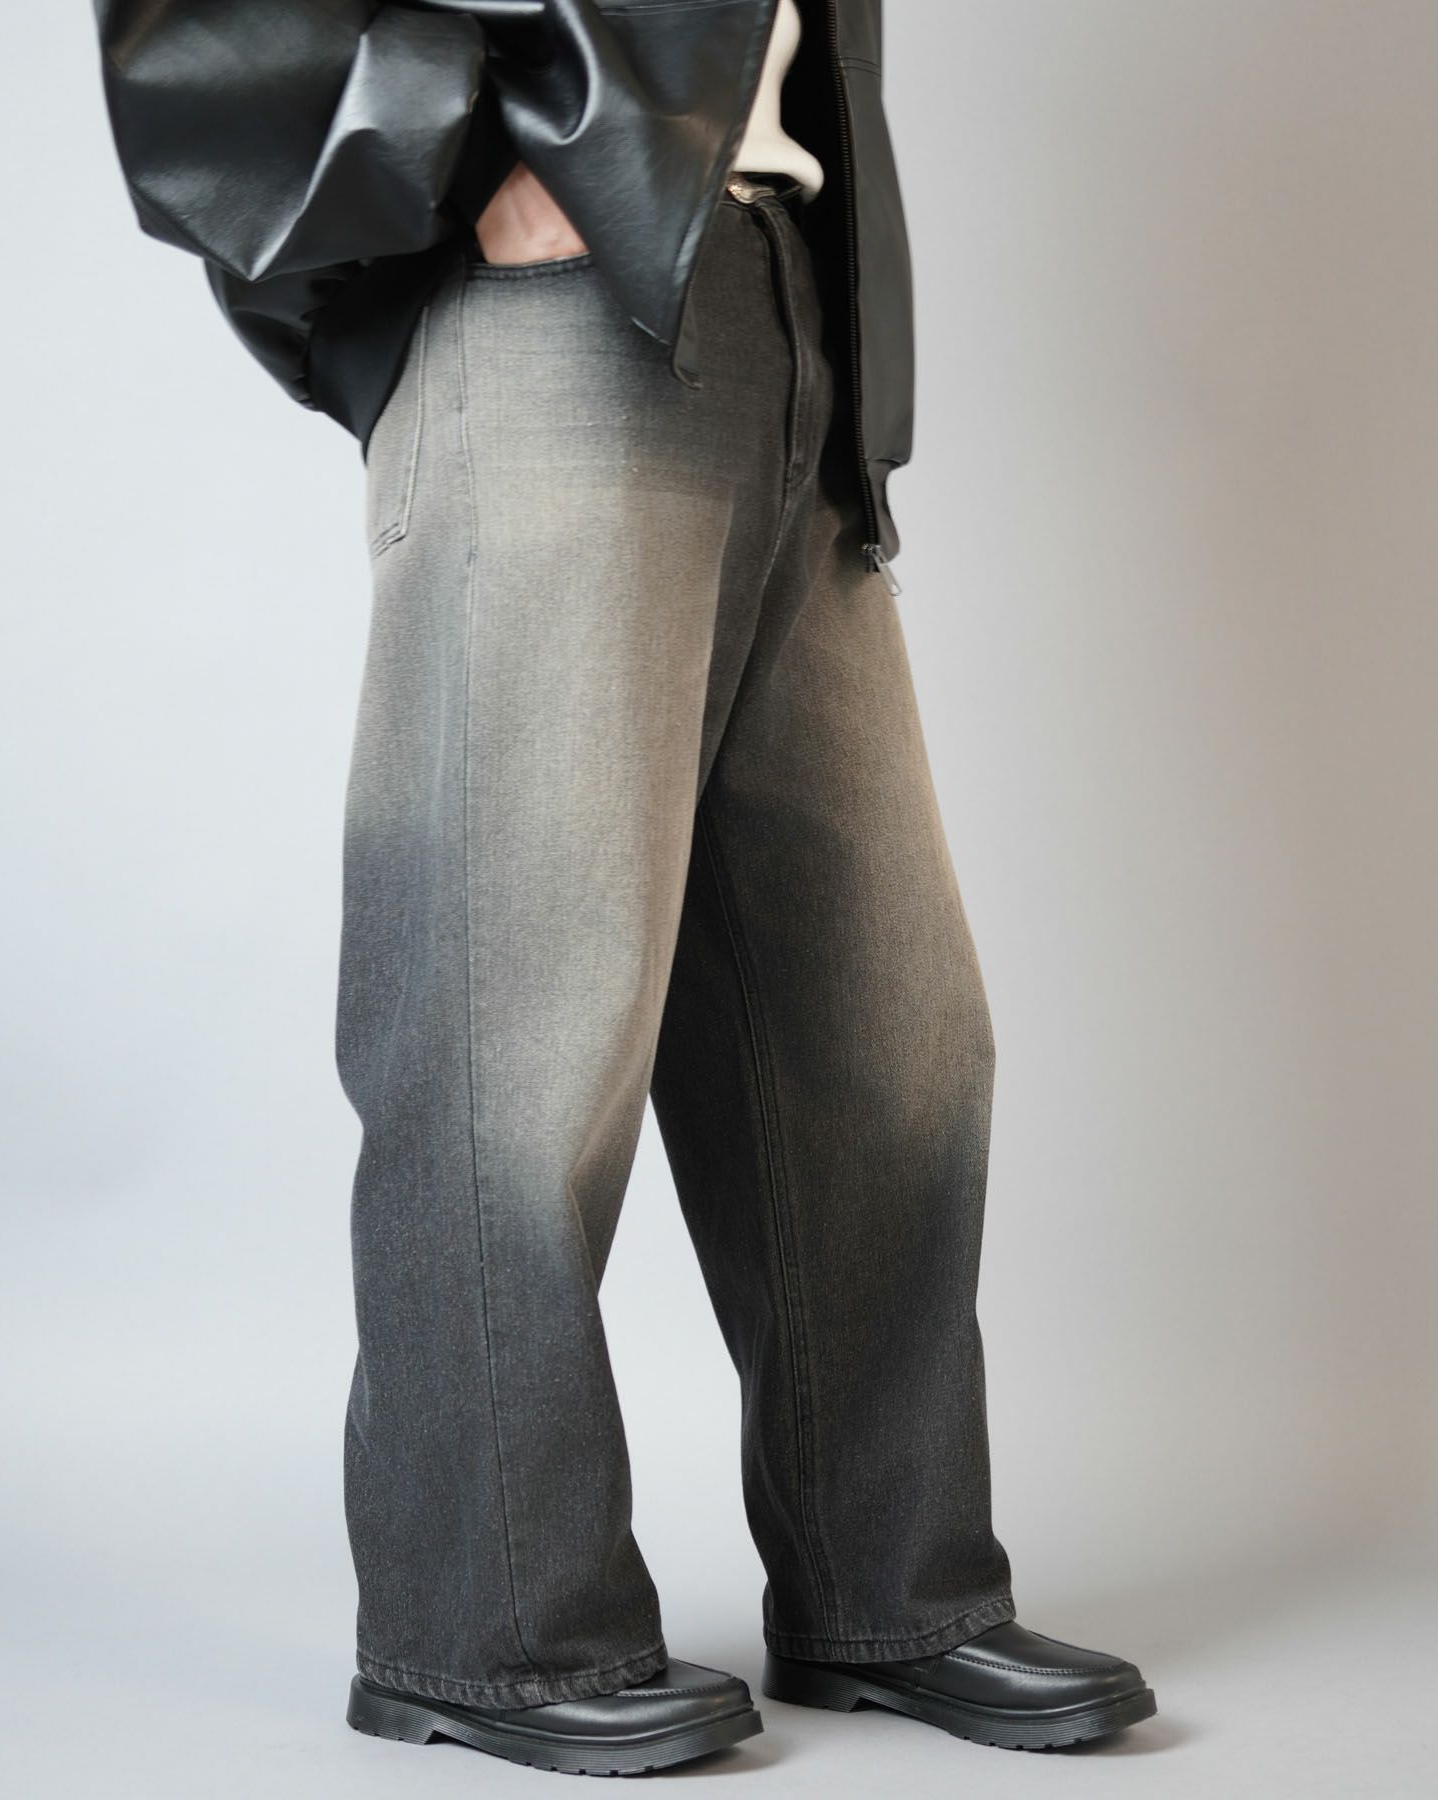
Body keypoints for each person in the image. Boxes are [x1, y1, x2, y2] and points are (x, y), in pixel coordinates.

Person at [94, 0, 1155, 1774]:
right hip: (558, 297)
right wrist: (474, 162)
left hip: (783, 290)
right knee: (513, 1025)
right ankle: (489, 1632)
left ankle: (893, 1592)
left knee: (884, 1037)